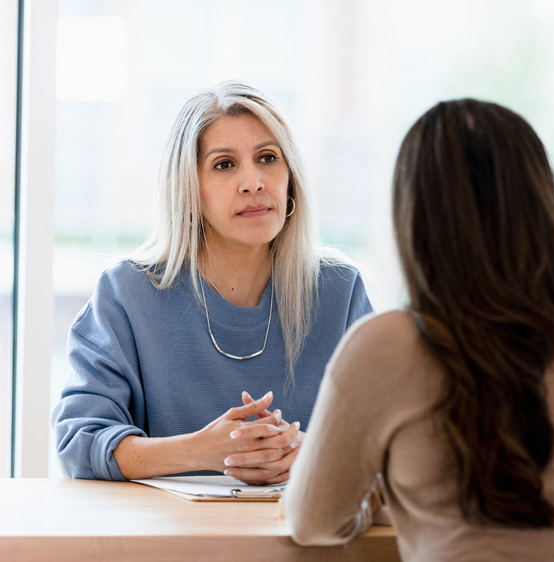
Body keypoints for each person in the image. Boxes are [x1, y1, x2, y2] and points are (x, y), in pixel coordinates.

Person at [283, 99, 554, 561]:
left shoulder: (388, 346)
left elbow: (313, 522)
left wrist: (381, 491)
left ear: (415, 216)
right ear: (541, 201)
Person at [52, 81, 374, 486]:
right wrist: (203, 450)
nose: (253, 181)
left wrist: (308, 451)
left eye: (268, 158)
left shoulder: (340, 291)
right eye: (224, 165)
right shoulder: (126, 295)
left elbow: (397, 441)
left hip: (307, 542)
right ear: (189, 189)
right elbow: (79, 441)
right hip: (171, 545)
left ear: (290, 178)